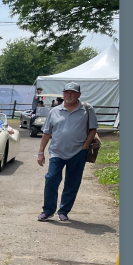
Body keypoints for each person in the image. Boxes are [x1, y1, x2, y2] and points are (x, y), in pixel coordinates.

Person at [35, 82, 99, 223]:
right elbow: (46, 133)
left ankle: (63, 211)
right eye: (66, 93)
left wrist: (86, 146)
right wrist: (41, 152)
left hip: (78, 152)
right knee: (51, 179)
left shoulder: (87, 110)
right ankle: (47, 210)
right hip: (57, 151)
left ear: (79, 95)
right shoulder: (55, 111)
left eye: (72, 93)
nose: (69, 95)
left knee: (72, 183)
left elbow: (93, 129)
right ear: (63, 94)